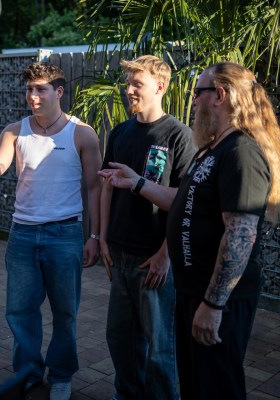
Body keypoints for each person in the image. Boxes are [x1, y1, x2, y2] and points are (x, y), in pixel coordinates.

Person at [99, 62, 280, 400]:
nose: (193, 100)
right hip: (193, 292)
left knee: (216, 386)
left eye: (198, 93)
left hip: (216, 300)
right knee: (196, 383)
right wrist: (136, 182)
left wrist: (212, 304)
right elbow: (182, 201)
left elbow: (240, 235)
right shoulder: (212, 149)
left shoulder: (241, 152)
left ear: (220, 95)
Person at [0, 61, 102, 400]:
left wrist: (94, 236)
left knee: (65, 313)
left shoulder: (82, 133)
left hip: (65, 235)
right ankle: (29, 372)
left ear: (59, 92)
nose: (33, 96)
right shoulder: (15, 131)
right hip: (22, 235)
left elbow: (95, 187)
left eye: (40, 89)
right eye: (29, 89)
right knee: (20, 312)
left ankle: (61, 374)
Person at [100, 55, 195, 400]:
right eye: (127, 83)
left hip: (154, 261)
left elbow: (185, 203)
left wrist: (165, 254)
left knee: (159, 349)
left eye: (136, 84)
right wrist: (102, 238)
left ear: (160, 86)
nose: (128, 90)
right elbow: (107, 187)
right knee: (119, 338)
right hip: (120, 255)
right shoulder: (120, 132)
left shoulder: (179, 136)